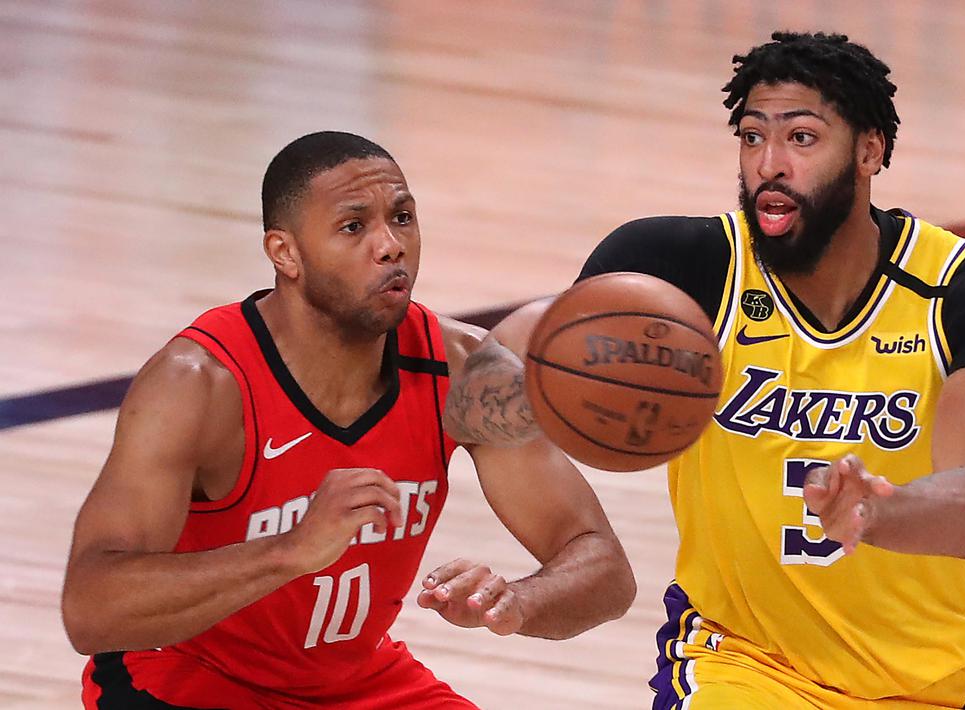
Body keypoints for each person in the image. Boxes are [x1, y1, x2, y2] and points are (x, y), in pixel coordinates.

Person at [495, 32, 965, 709]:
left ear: (869, 151)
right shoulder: (679, 267)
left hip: (951, 679)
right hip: (747, 666)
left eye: (802, 139)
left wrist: (875, 510)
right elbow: (503, 359)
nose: (770, 164)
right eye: (751, 138)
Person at [61, 131, 636, 709]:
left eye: (403, 217)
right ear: (285, 253)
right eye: (354, 226)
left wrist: (518, 600)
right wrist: (291, 550)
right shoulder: (199, 384)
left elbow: (604, 567)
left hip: (355, 684)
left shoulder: (465, 369)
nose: (391, 246)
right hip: (187, 677)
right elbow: (91, 609)